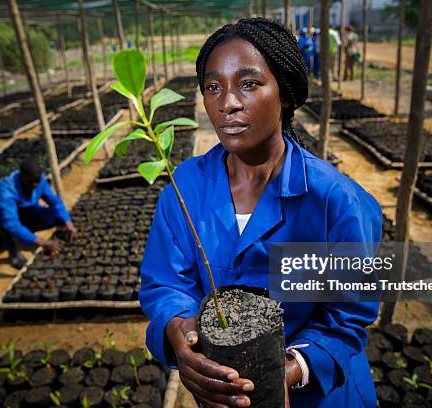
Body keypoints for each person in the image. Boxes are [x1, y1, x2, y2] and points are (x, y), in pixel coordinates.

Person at [139, 18, 381, 408]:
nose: (228, 102)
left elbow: (348, 316)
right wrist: (179, 331)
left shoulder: (336, 201)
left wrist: (285, 370)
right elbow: (166, 284)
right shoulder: (186, 187)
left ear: (284, 93)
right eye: (213, 87)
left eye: (248, 84)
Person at [0, 159, 77, 269]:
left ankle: (26, 233)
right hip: (6, 219)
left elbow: (55, 202)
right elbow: (11, 223)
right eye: (31, 182)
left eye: (37, 181)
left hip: (28, 211)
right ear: (22, 177)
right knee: (7, 226)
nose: (35, 184)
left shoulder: (40, 180)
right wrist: (43, 243)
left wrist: (68, 223)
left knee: (55, 216)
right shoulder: (6, 191)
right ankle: (13, 252)